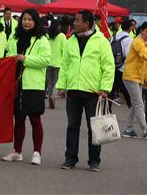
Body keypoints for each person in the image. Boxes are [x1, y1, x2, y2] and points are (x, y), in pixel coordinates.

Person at [55, 10, 115, 172]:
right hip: (74, 90)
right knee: (72, 126)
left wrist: (105, 88)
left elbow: (108, 66)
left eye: (77, 21)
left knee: (94, 128)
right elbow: (65, 65)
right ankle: (70, 158)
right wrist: (62, 86)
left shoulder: (101, 41)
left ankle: (94, 160)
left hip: (93, 92)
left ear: (86, 23)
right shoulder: (70, 41)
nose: (74, 23)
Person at [1, 8, 50, 165]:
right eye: (24, 19)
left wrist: (25, 58)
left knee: (35, 119)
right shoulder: (15, 38)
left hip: (33, 85)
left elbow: (44, 60)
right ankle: (17, 151)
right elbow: (8, 55)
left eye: (30, 20)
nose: (26, 22)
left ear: (35, 22)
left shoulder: (42, 40)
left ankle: (37, 152)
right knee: (19, 119)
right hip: (16, 84)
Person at [111, 18, 134, 107]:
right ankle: (133, 113)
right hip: (123, 69)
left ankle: (107, 112)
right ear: (129, 28)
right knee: (128, 94)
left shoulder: (114, 37)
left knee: (111, 92)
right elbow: (129, 56)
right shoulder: (129, 39)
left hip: (113, 68)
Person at [45, 16, 67, 109]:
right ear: (58, 26)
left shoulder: (47, 36)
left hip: (48, 62)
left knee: (49, 82)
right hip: (58, 63)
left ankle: (49, 96)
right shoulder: (62, 36)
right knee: (56, 82)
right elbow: (65, 50)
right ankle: (53, 96)